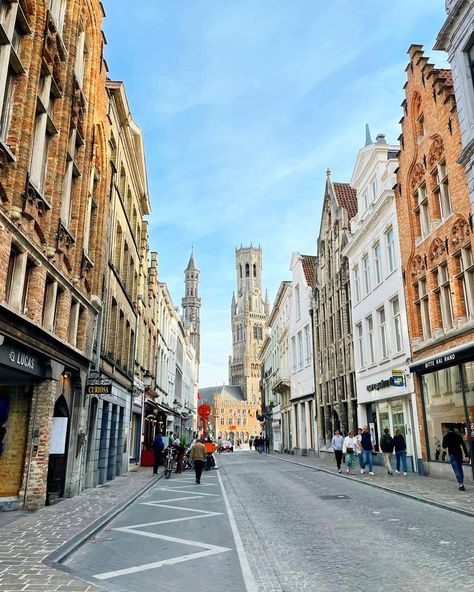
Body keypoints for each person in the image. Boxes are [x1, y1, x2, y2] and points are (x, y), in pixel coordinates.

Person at [442, 425, 470, 491]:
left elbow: (444, 446)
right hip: (459, 454)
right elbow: (463, 446)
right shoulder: (458, 436)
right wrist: (466, 455)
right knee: (460, 469)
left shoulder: (446, 436)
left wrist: (448, 446)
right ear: (454, 430)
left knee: (456, 470)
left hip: (452, 454)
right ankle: (461, 483)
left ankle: (461, 484)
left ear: (448, 430)